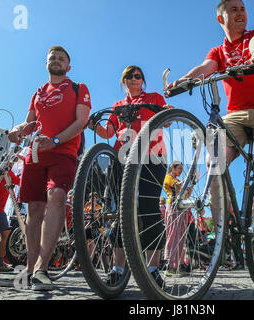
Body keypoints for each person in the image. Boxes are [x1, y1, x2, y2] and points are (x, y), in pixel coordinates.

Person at [167, 0, 254, 296]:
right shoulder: (218, 51)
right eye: (233, 8)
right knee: (213, 163)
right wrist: (184, 80)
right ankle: (221, 233)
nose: (240, 12)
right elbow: (206, 67)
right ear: (220, 17)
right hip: (235, 116)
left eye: (242, 7)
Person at [4, 45, 91, 291]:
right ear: (46, 64)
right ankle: (31, 270)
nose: (57, 60)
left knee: (56, 196)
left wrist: (55, 140)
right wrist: (19, 129)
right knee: (34, 208)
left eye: (61, 58)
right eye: (52, 57)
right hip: (35, 154)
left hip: (63, 152)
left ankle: (43, 269)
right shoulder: (38, 92)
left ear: (68, 66)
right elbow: (30, 122)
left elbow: (81, 121)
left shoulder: (78, 88)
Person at [90, 65, 171, 286]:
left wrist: (167, 110)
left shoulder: (153, 97)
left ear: (142, 80)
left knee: (149, 209)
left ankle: (153, 269)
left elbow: (168, 120)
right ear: (123, 81)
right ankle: (117, 268)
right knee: (122, 213)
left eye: (138, 76)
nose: (134, 79)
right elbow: (108, 133)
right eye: (129, 76)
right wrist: (94, 126)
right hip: (123, 159)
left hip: (152, 157)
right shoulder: (118, 106)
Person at [163, 161, 191, 277]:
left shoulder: (177, 180)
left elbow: (186, 195)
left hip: (182, 208)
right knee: (173, 235)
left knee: (181, 237)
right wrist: (187, 180)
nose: (180, 171)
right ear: (173, 168)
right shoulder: (168, 177)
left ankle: (178, 265)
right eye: (179, 168)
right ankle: (169, 264)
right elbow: (177, 186)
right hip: (173, 206)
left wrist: (191, 186)